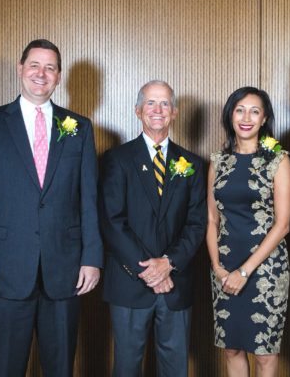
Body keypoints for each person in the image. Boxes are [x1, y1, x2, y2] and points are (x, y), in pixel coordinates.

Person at [0, 39, 103, 376]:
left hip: (65, 272)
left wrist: (91, 258)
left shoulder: (79, 128)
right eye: (35, 65)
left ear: (59, 77)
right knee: (4, 368)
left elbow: (88, 199)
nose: (42, 73)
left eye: (50, 67)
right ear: (20, 69)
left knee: (59, 369)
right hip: (3, 273)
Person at [99, 80, 207, 376]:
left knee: (175, 368)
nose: (157, 110)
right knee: (126, 366)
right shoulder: (117, 160)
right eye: (150, 103)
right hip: (129, 283)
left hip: (176, 284)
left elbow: (197, 223)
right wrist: (150, 270)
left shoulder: (193, 164)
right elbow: (112, 221)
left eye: (164, 104)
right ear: (137, 111)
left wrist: (169, 264)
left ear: (174, 112)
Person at [207, 86, 290, 376]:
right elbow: (211, 220)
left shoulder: (278, 160)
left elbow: (283, 225)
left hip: (265, 268)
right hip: (225, 265)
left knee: (264, 352)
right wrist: (219, 268)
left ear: (264, 118)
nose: (246, 117)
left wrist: (244, 272)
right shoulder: (218, 161)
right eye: (240, 110)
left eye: (254, 111)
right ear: (230, 115)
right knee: (232, 348)